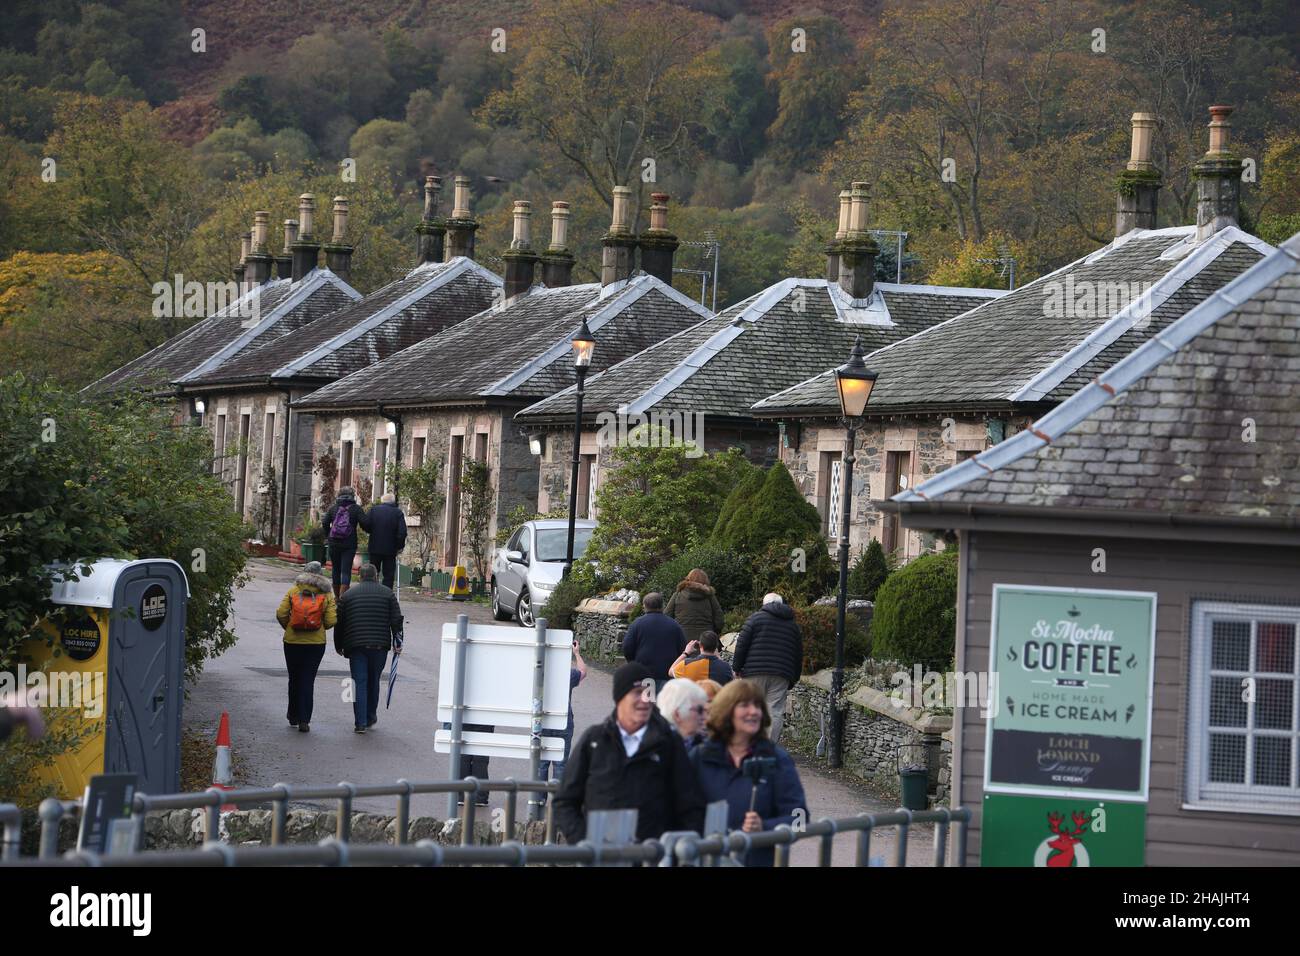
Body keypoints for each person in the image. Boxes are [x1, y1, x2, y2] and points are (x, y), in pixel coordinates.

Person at [553, 662, 705, 843]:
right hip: (600, 859)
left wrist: (673, 852)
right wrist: (584, 842)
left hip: (651, 858)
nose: (645, 700)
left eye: (649, 693)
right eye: (637, 693)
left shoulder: (668, 743)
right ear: (620, 697)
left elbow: (690, 805)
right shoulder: (594, 740)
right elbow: (564, 802)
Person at [689, 679, 808, 867]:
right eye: (744, 705)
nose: (754, 711)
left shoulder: (777, 759)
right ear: (726, 712)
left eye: (758, 706)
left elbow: (800, 820)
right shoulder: (700, 757)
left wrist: (765, 828)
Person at [335, 563, 403, 733]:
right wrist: (398, 642)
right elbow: (396, 620)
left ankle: (360, 722)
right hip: (380, 646)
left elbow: (339, 623)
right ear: (376, 576)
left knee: (359, 683)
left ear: (359, 576)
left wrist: (339, 645)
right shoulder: (388, 594)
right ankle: (370, 716)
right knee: (374, 681)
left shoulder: (347, 596)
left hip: (356, 646)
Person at [732, 593, 803, 745]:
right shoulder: (792, 625)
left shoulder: (755, 619)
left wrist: (737, 668)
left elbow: (742, 645)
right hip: (781, 674)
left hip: (754, 672)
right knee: (775, 711)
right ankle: (768, 746)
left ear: (764, 604)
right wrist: (794, 677)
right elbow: (798, 653)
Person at [275, 560, 337, 732]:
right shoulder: (327, 594)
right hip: (315, 644)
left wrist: (289, 626)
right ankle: (304, 720)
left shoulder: (294, 590)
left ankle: (293, 715)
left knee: (294, 678)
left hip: (292, 641)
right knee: (308, 680)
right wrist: (319, 626)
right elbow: (332, 620)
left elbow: (281, 613)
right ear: (320, 574)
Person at [537, 640, 588, 785]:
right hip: (564, 721)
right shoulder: (567, 674)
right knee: (561, 763)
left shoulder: (538, 674)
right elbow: (583, 672)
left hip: (542, 721)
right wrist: (577, 653)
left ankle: (538, 800)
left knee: (541, 764)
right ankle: (558, 800)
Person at [621, 592, 687, 693]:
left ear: (644, 606)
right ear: (662, 605)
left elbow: (627, 648)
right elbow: (682, 648)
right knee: (664, 706)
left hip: (644, 673)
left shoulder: (637, 624)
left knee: (647, 705)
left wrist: (633, 663)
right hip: (667, 675)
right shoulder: (674, 625)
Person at [322, 486, 367, 598]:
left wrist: (329, 535)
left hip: (334, 543)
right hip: (349, 544)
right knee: (346, 571)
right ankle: (344, 598)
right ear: (352, 496)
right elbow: (365, 523)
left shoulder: (333, 508)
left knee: (335, 569)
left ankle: (337, 597)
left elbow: (325, 522)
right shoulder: (356, 509)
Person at [664, 568, 724, 644]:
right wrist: (714, 631)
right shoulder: (710, 597)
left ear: (688, 579)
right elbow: (719, 620)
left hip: (682, 639)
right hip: (706, 640)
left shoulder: (678, 595)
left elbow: (667, 616)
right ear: (705, 580)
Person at [365, 493, 407, 589]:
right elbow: (402, 532)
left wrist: (371, 531)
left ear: (382, 501)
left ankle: (372, 593)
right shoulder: (398, 513)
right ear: (393, 502)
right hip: (390, 549)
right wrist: (399, 546)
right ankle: (386, 595)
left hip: (375, 547)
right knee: (388, 575)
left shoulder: (374, 510)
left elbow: (366, 523)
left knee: (373, 572)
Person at [656, 678, 709, 753]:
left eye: (706, 710)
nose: (705, 716)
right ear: (677, 714)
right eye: (700, 710)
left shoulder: (708, 746)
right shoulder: (654, 751)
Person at [669, 631, 734, 685]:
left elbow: (670, 671)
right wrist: (718, 657)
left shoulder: (686, 664)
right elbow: (732, 681)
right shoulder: (725, 667)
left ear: (700, 645)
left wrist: (685, 653)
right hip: (716, 700)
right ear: (716, 647)